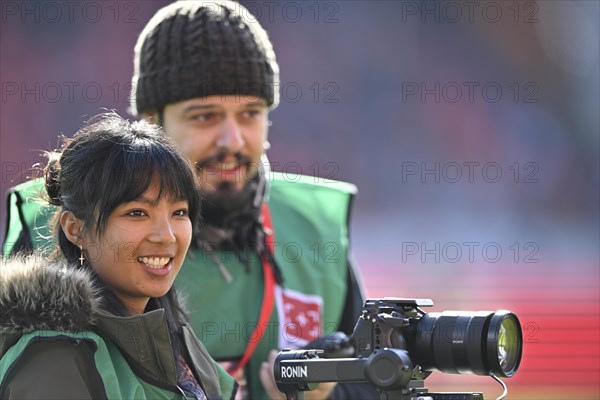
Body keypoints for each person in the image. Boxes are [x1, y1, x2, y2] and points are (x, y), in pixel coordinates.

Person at [2, 1, 376, 398]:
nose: (232, 140)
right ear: (151, 122)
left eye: (250, 113)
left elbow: (374, 383)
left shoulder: (315, 228)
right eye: (205, 117)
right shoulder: (57, 215)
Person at [0, 113, 236, 399]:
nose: (166, 235)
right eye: (137, 213)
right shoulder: (57, 357)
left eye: (179, 213)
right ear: (75, 229)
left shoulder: (173, 335)